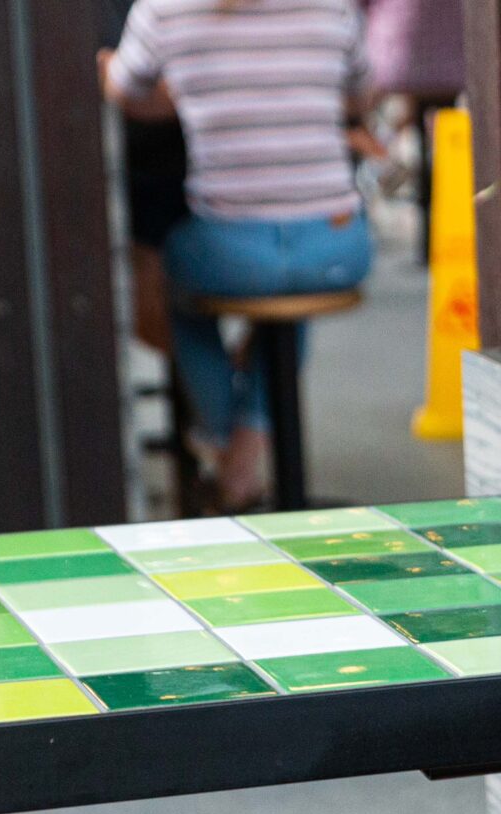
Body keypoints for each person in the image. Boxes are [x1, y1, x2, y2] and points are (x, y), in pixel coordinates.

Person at [104, 0, 376, 510]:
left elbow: (124, 90)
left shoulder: (165, 9)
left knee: (171, 281)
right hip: (340, 245)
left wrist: (190, 90)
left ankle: (224, 437)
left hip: (228, 250)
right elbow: (362, 92)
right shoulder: (333, 6)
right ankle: (249, 444)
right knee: (292, 284)